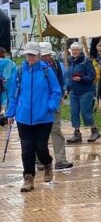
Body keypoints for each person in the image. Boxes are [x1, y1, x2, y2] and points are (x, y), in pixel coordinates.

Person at [5, 42, 62, 192]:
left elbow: (56, 91)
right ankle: (28, 178)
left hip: (44, 118)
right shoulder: (19, 71)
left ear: (38, 55)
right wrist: (10, 113)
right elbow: (14, 94)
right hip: (23, 117)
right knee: (26, 149)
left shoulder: (46, 71)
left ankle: (47, 163)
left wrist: (50, 106)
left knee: (40, 147)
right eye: (28, 54)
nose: (30, 57)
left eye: (33, 55)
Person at [38, 43, 72, 170]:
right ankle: (40, 160)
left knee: (56, 130)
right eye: (44, 56)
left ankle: (61, 160)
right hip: (40, 105)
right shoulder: (35, 67)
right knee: (40, 133)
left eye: (48, 55)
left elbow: (60, 81)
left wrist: (62, 95)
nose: (46, 58)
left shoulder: (55, 64)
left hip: (54, 103)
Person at [65, 42, 100, 144]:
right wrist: (67, 89)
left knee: (85, 112)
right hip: (73, 92)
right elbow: (69, 77)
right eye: (73, 50)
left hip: (86, 91)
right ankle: (77, 134)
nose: (74, 51)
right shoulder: (71, 62)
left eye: (76, 49)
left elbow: (92, 76)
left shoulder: (86, 61)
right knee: (74, 112)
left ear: (81, 51)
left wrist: (81, 78)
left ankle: (94, 131)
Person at [0, 46, 14, 113]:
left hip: (3, 83)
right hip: (7, 83)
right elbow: (7, 75)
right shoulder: (8, 62)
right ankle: (4, 113)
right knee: (6, 98)